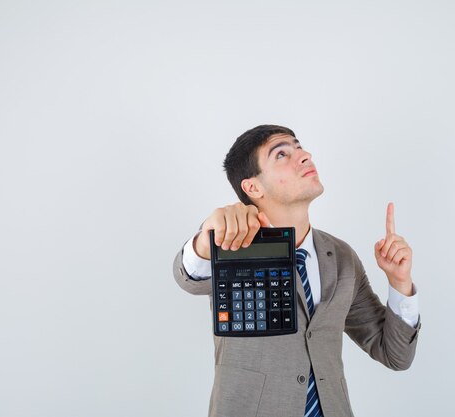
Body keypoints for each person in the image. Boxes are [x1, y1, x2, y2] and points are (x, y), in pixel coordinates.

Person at [172, 124, 421, 417]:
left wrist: (399, 283)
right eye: (281, 154)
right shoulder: (232, 245)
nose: (304, 156)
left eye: (299, 147)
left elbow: (394, 354)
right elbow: (190, 277)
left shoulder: (341, 257)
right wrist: (208, 237)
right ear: (252, 187)